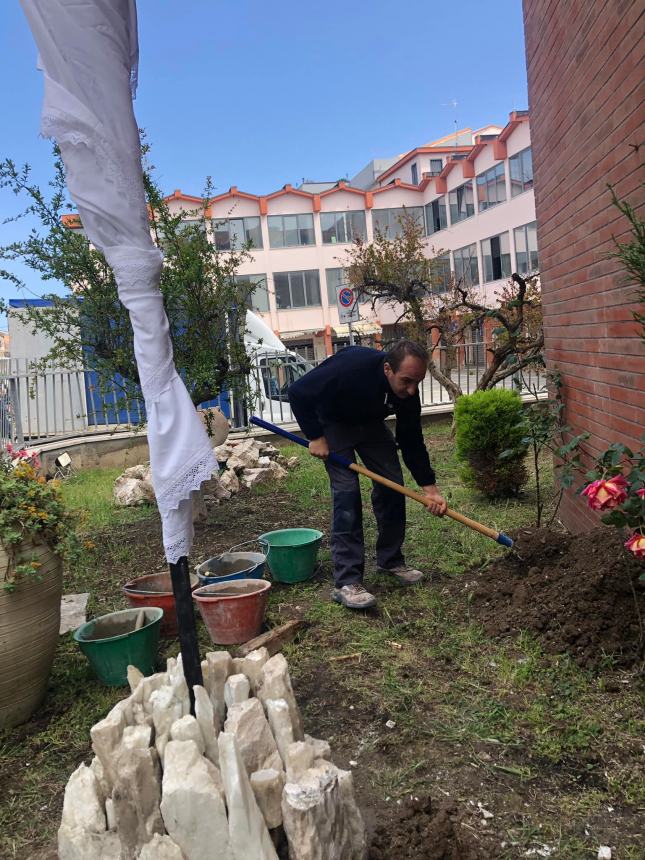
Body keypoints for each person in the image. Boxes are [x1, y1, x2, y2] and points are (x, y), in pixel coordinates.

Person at [288, 340, 447, 610]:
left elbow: (411, 439)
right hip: (334, 422)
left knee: (393, 486)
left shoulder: (408, 391)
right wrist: (315, 436)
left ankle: (391, 560)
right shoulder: (351, 368)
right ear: (387, 369)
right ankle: (346, 582)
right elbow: (298, 391)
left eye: (417, 382)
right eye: (407, 381)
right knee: (347, 493)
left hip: (370, 425)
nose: (411, 390)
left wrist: (429, 488)